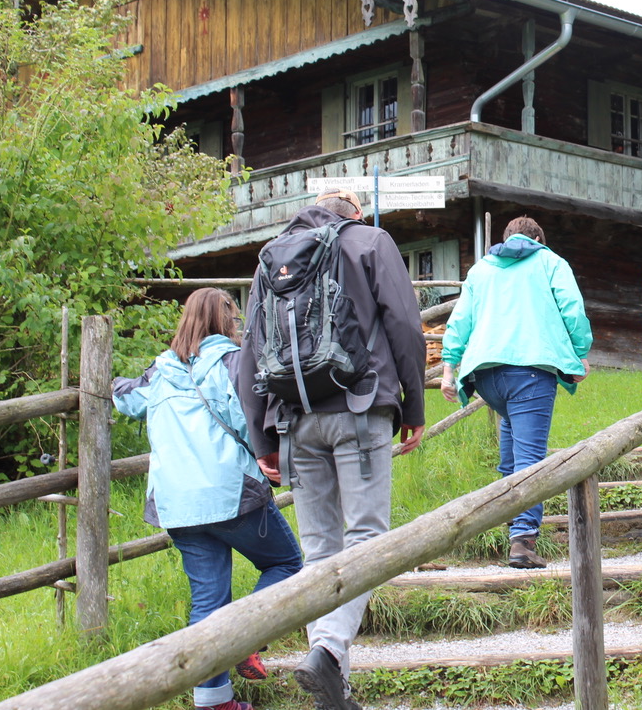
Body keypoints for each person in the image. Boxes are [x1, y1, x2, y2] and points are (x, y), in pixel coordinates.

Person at [237, 189, 426, 710]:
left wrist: (263, 436)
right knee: (367, 538)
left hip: (295, 420)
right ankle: (327, 648)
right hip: (361, 408)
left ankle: (333, 689)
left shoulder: (271, 259)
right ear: (356, 213)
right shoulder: (371, 241)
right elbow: (406, 326)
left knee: (320, 550)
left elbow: (249, 351)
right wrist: (413, 406)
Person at [113, 288, 304, 710]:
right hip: (231, 494)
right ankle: (246, 639)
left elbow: (127, 400)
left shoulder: (160, 371)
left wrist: (108, 384)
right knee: (286, 563)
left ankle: (214, 700)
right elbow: (248, 418)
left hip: (177, 505)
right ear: (224, 321)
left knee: (208, 600)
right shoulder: (232, 363)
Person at [440, 216, 593, 569]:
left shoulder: (482, 269)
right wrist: (580, 353)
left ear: (505, 239)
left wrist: (449, 368)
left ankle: (510, 521)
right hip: (531, 369)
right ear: (539, 238)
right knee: (530, 458)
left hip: (486, 376)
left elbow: (460, 319)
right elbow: (572, 308)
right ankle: (523, 539)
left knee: (511, 449)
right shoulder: (550, 262)